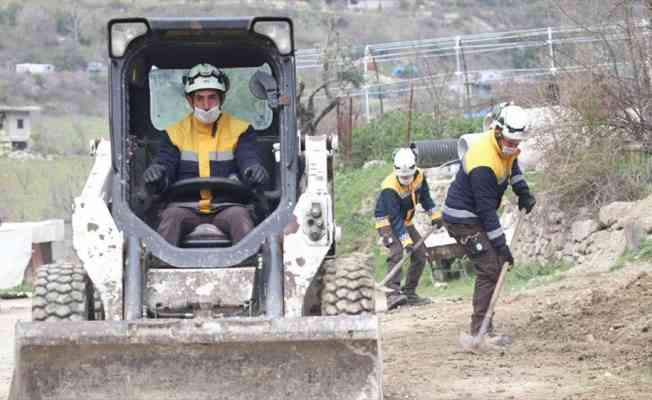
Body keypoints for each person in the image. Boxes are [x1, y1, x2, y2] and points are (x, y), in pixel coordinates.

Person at [143, 63, 269, 246]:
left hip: (227, 206)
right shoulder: (174, 133)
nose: (206, 105)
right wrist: (158, 172)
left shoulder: (240, 130)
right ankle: (159, 266)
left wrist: (253, 170)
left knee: (241, 218)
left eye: (212, 98)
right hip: (184, 207)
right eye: (200, 98)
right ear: (189, 100)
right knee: (170, 218)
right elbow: (166, 163)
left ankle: (251, 268)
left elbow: (247, 157)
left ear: (221, 99)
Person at [442, 103, 536, 341]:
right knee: (490, 267)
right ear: (497, 131)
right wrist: (502, 246)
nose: (513, 147)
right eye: (510, 142)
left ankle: (485, 327)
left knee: (492, 267)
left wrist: (522, 190)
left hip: (477, 214)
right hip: (462, 219)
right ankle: (480, 331)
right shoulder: (482, 161)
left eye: (517, 144)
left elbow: (511, 166)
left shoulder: (505, 147)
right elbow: (486, 211)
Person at [374, 147, 443, 310]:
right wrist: (406, 241)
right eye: (402, 177)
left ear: (414, 169)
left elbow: (426, 199)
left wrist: (435, 215)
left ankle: (409, 293)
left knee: (421, 254)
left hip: (405, 221)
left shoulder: (419, 177)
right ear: (396, 171)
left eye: (408, 176)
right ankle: (392, 295)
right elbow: (395, 218)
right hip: (387, 222)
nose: (406, 179)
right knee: (397, 252)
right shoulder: (389, 188)